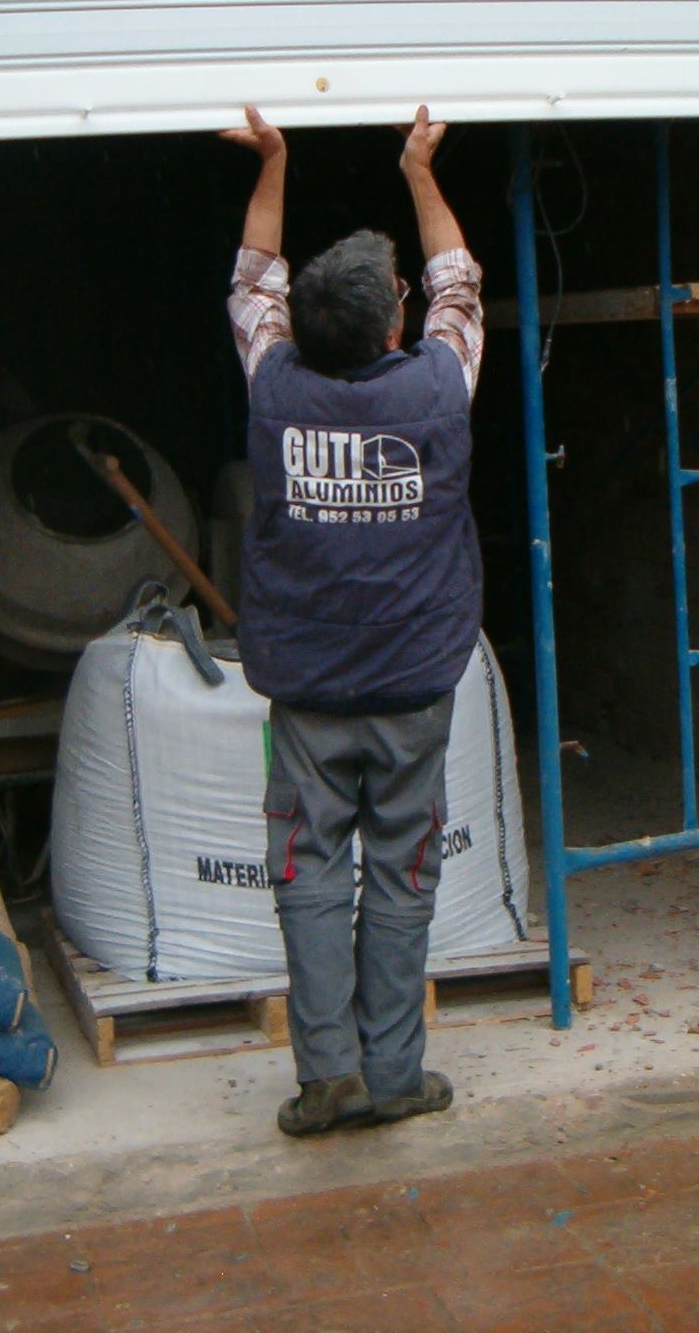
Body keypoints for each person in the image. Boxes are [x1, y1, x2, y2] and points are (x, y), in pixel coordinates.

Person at [220, 104, 485, 1136]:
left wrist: (276, 160)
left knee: (309, 872)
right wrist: (417, 170)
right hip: (414, 687)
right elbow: (459, 281)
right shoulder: (438, 385)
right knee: (403, 877)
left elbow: (250, 281)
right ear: (392, 326)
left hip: (307, 690)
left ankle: (325, 1078)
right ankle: (391, 1077)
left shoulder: (272, 386)